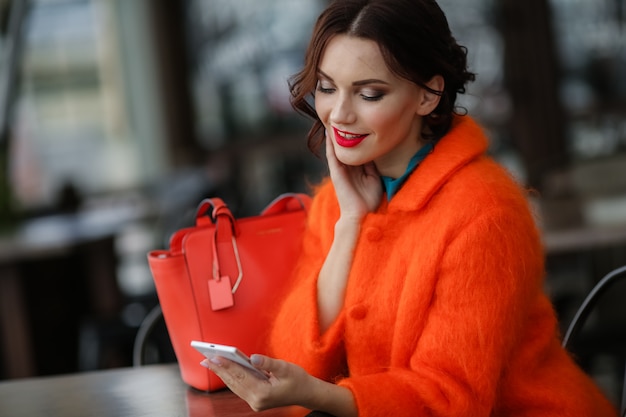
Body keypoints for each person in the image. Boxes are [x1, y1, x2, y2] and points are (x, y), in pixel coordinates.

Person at [203, 0, 619, 416]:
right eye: (327, 87)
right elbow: (295, 362)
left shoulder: (486, 212)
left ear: (429, 94)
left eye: (369, 93)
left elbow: (450, 399)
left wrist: (318, 395)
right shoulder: (336, 201)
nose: (339, 114)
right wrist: (349, 224)